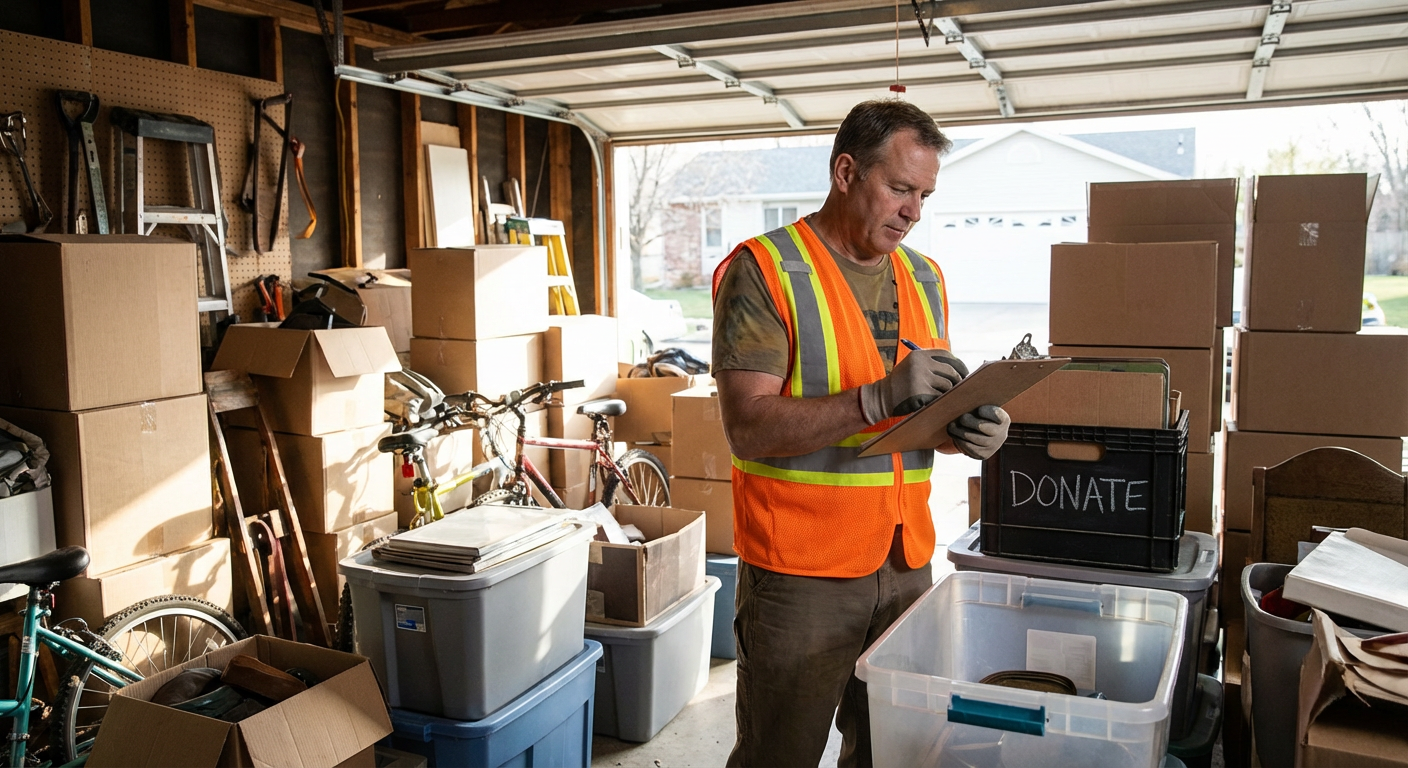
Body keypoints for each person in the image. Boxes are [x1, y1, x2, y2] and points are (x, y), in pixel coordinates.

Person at [710, 99, 1012, 767]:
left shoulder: (925, 277)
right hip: (800, 576)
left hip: (904, 563)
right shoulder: (766, 271)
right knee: (777, 755)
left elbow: (916, 419)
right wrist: (877, 396)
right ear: (846, 172)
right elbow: (747, 428)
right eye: (900, 189)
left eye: (925, 195)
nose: (913, 211)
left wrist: (964, 429)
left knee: (892, 754)